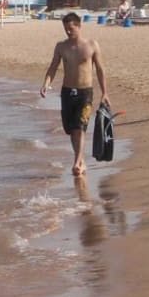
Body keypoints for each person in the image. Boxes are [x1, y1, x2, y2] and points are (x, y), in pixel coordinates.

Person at [40, 12, 109, 176]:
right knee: (71, 130)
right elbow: (53, 67)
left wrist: (105, 92)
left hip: (85, 92)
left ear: (79, 26)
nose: (68, 32)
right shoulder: (61, 47)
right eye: (66, 29)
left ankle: (77, 161)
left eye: (71, 28)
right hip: (67, 92)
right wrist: (45, 84)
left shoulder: (91, 45)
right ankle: (80, 160)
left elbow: (100, 69)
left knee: (80, 127)